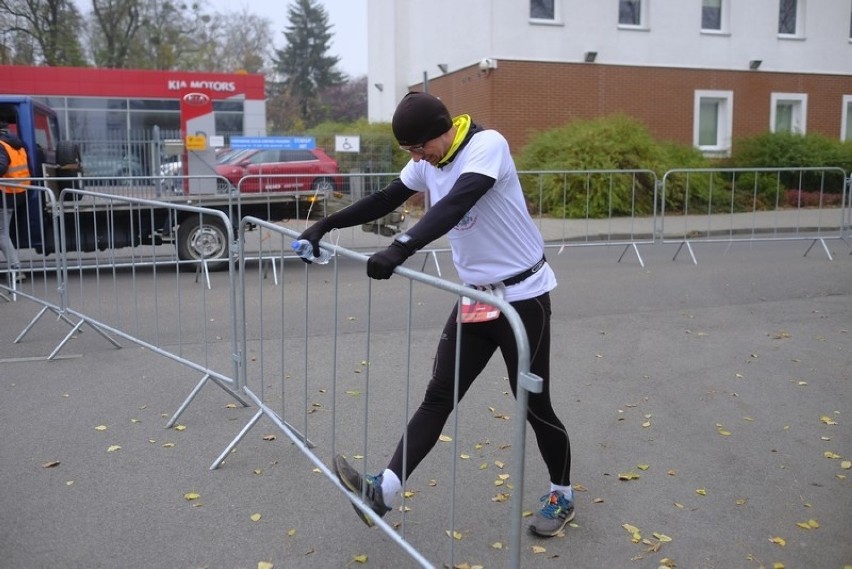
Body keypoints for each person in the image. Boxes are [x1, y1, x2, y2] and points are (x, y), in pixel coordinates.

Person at [298, 92, 573, 537]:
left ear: (443, 130)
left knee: (534, 404)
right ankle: (381, 493)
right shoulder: (428, 160)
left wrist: (401, 247)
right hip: (477, 298)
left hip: (523, 297)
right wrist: (325, 224)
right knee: (438, 395)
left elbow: (455, 204)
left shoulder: (487, 146)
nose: (416, 158)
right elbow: (388, 197)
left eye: (419, 147)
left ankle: (562, 493)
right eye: (409, 152)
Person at [0, 121, 30, 282]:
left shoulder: (1, 145)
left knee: (1, 234)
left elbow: (2, 167)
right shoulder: (17, 144)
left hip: (5, 194)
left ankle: (16, 269)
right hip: (17, 192)